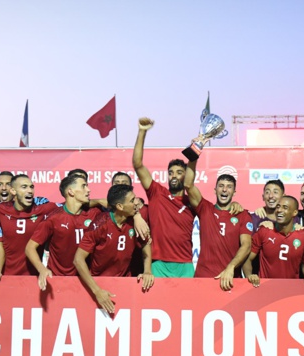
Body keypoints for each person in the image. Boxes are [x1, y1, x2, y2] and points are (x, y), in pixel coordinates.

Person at [74, 184, 154, 315]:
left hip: (124, 284)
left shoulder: (136, 221)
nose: (137, 203)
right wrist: (97, 291)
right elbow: (78, 259)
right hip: (99, 284)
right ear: (120, 207)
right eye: (132, 200)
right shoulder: (100, 224)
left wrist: (147, 271)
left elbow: (146, 244)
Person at [132, 117, 196, 277]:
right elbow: (138, 164)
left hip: (185, 265)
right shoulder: (156, 193)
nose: (174, 176)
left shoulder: (192, 201)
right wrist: (142, 131)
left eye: (179, 172)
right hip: (159, 265)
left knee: (187, 303)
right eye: (171, 172)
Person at [25, 173, 101, 290]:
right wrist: (42, 269)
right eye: (83, 186)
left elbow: (117, 207)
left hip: (86, 281)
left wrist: (136, 217)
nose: (88, 190)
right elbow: (30, 248)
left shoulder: (94, 214)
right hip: (57, 280)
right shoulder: (54, 218)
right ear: (71, 192)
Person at [184, 163, 253, 290]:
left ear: (234, 192)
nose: (224, 190)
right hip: (203, 278)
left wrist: (230, 267)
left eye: (229, 187)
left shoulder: (243, 215)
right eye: (221, 186)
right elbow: (188, 184)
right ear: (215, 189)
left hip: (230, 280)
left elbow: (246, 245)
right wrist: (194, 154)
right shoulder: (205, 208)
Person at [0, 174, 58, 276]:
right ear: (13, 191)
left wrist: (89, 202)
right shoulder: (0, 208)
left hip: (33, 278)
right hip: (5, 277)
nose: (30, 191)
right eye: (24, 187)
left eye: (31, 187)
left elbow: (71, 205)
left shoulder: (43, 209)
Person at [243, 196, 304, 285]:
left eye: (285, 207)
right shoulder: (264, 231)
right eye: (278, 206)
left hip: (290, 291)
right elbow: (247, 258)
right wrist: (250, 275)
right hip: (265, 289)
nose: (279, 210)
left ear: (294, 212)